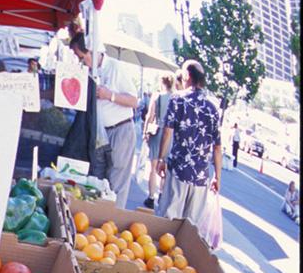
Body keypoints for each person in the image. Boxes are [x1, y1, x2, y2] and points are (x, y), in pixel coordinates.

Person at [68, 26, 139, 209]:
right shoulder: (89, 72)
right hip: (100, 132)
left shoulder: (115, 67)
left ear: (90, 52)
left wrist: (110, 95)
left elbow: (134, 101)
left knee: (116, 183)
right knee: (99, 180)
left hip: (120, 130)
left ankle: (112, 221)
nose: (81, 62)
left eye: (81, 57)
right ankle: (100, 216)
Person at [155, 60, 222, 225]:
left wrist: (161, 159)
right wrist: (217, 177)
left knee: (167, 222)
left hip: (178, 170)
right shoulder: (212, 108)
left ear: (187, 76)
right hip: (201, 177)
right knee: (190, 228)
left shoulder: (177, 99)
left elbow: (167, 132)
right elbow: (217, 147)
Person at [142, 75, 174, 208]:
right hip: (170, 134)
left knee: (153, 167)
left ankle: (150, 197)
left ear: (162, 83)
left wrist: (145, 131)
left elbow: (150, 115)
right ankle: (162, 194)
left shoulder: (157, 97)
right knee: (164, 168)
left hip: (157, 132)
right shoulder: (175, 98)